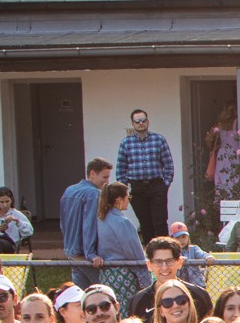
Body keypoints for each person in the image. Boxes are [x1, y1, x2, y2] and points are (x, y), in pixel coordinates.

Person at [115, 107, 175, 239]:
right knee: (145, 223)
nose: (140, 123)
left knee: (160, 222)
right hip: (137, 188)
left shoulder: (159, 140)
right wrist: (125, 188)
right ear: (133, 124)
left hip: (157, 185)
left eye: (143, 120)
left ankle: (164, 252)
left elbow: (168, 164)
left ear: (148, 122)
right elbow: (120, 169)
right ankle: (150, 255)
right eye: (137, 121)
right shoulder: (126, 143)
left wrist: (165, 185)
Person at [128, 237, 215, 323]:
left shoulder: (199, 295)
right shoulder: (138, 301)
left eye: (169, 261)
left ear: (179, 263)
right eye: (158, 262)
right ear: (149, 265)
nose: (164, 267)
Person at [93, 180, 148, 302]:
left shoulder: (102, 219)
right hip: (124, 277)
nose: (129, 200)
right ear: (119, 200)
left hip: (106, 276)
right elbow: (135, 254)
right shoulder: (122, 222)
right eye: (128, 197)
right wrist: (145, 279)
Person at [61, 158, 112, 288]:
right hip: (85, 254)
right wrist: (91, 254)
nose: (107, 181)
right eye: (105, 177)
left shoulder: (69, 190)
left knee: (83, 295)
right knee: (103, 291)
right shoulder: (94, 193)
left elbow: (63, 223)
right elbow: (89, 225)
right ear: (93, 174)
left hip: (71, 251)